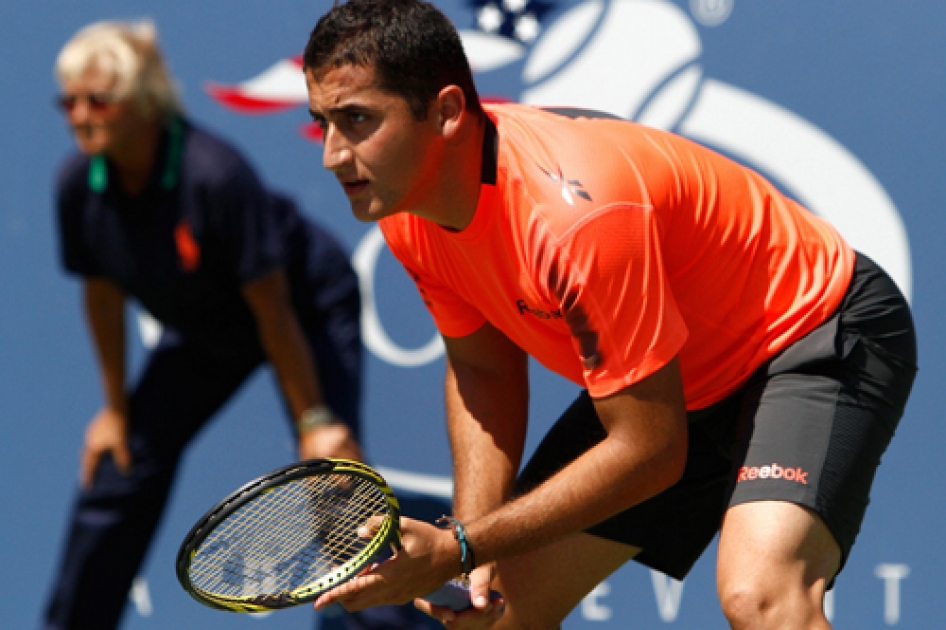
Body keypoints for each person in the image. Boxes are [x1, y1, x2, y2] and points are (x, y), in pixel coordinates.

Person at [300, 1, 919, 628]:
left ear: (447, 112)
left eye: (357, 120)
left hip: (808, 330)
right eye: (322, 121)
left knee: (763, 595)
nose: (332, 155)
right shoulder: (411, 209)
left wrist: (463, 544)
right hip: (680, 375)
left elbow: (651, 451)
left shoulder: (573, 218)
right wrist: (471, 549)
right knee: (496, 613)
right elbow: (483, 372)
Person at [43, 19, 439, 630]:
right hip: (209, 327)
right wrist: (114, 409)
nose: (79, 114)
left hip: (299, 308)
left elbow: (273, 309)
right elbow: (102, 293)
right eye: (68, 100)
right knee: (118, 467)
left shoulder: (214, 175)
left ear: (143, 102)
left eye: (98, 99)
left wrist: (315, 423)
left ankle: (385, 617)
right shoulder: (78, 184)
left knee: (329, 480)